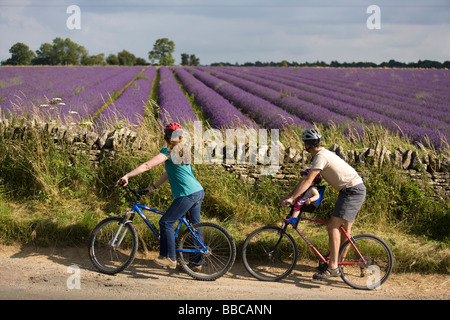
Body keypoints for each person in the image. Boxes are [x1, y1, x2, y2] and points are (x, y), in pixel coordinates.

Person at [117, 122, 204, 270]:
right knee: (193, 227)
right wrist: (153, 187)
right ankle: (197, 263)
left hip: (187, 194)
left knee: (166, 222)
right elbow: (170, 173)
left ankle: (170, 258)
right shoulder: (183, 150)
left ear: (166, 136)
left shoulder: (168, 150)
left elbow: (147, 166)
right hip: (197, 191)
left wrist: (127, 176)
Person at [281, 128, 366, 280]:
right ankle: (338, 263)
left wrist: (292, 199)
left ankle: (333, 267)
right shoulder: (322, 155)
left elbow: (308, 181)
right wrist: (290, 196)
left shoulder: (320, 156)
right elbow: (306, 179)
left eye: (305, 143)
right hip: (350, 190)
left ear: (308, 145)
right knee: (344, 229)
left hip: (352, 191)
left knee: (332, 226)